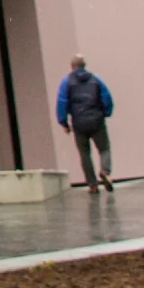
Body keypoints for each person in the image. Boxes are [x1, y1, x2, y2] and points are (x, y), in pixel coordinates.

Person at [58, 56, 117, 190]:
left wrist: (64, 123)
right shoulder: (96, 79)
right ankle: (105, 172)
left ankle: (92, 185)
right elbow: (106, 97)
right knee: (104, 148)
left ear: (72, 67)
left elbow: (62, 102)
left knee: (84, 154)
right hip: (97, 121)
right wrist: (106, 113)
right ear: (85, 65)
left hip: (79, 123)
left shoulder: (66, 82)